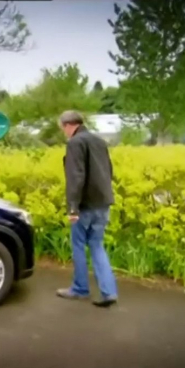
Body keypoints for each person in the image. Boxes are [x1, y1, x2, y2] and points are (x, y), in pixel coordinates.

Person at [56, 110, 118, 307]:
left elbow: (76, 177)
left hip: (85, 205)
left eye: (62, 128)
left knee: (78, 245)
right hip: (103, 203)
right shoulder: (99, 141)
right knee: (97, 246)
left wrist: (72, 207)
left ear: (68, 125)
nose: (64, 132)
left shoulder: (75, 143)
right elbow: (109, 170)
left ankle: (80, 288)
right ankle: (109, 292)